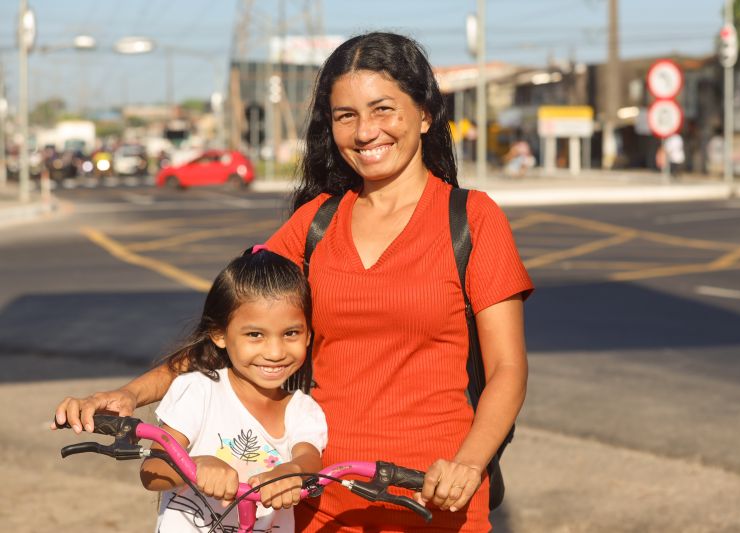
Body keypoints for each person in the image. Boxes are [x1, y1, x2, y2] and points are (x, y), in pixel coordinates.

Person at [52, 31, 533, 532]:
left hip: (434, 493)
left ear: (425, 113)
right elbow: (236, 333)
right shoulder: (314, 225)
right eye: (346, 116)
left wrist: (470, 463)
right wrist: (132, 394)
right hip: (314, 494)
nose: (366, 132)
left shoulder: (473, 220)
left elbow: (506, 368)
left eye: (384, 109)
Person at [140, 248, 327, 532]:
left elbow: (309, 457)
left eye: (291, 333)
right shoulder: (199, 390)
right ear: (220, 334)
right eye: (255, 335)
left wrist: (294, 471)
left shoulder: (303, 410)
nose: (275, 352)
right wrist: (195, 465)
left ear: (308, 335)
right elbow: (152, 470)